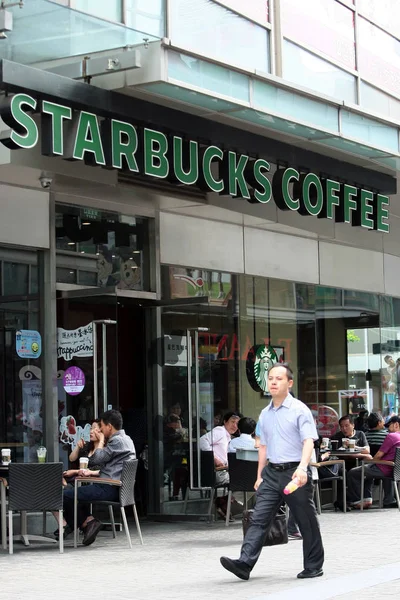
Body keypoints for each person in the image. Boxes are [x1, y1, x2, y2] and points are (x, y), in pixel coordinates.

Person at [220, 364, 324, 581]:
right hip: (271, 474)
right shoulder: (265, 414)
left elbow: (308, 442)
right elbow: (263, 447)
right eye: (270, 378)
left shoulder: (299, 410)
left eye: (279, 378)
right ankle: (245, 563)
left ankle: (313, 565)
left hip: (295, 473)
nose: (274, 382)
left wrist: (303, 468)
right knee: (258, 518)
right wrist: (259, 476)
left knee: (306, 521)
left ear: (289, 383)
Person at [62, 409, 136, 546]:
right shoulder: (127, 439)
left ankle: (87, 523)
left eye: (101, 426)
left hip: (108, 488)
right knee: (74, 496)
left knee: (65, 496)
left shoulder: (117, 441)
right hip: (116, 487)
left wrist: (101, 440)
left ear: (109, 426)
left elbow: (96, 460)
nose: (100, 429)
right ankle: (87, 523)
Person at [347, 415, 400, 509]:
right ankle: (387, 500)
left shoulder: (391, 436)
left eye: (390, 425)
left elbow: (378, 456)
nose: (387, 428)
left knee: (353, 472)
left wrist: (370, 460)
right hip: (394, 469)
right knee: (368, 469)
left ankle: (357, 500)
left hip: (384, 468)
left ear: (396, 425)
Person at [199, 411, 241, 518]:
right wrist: (214, 458)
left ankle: (224, 501)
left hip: (226, 471)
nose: (234, 426)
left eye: (237, 423)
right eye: (232, 422)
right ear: (225, 421)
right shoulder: (220, 431)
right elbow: (202, 440)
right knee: (247, 480)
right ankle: (224, 502)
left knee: (251, 479)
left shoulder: (229, 437)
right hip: (218, 472)